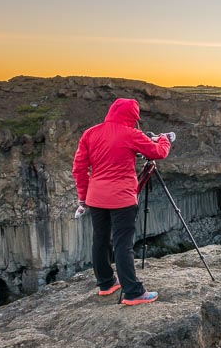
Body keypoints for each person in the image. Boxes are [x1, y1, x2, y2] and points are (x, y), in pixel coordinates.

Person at [73, 98, 175, 305]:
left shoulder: (90, 133)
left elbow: (79, 169)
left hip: (96, 197)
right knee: (123, 244)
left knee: (100, 240)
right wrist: (164, 139)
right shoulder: (131, 134)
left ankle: (106, 283)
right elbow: (159, 152)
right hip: (122, 198)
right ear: (133, 117)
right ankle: (133, 292)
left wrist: (83, 198)